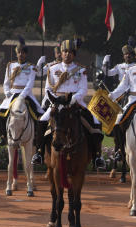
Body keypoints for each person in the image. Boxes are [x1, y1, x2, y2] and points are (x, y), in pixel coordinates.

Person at [32, 37, 105, 168]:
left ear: (74, 54)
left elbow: (83, 89)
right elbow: (48, 89)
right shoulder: (53, 69)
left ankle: (97, 156)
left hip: (75, 103)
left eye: (70, 52)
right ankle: (39, 152)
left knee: (95, 122)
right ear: (61, 53)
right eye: (65, 51)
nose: (67, 54)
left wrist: (72, 99)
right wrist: (56, 101)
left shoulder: (81, 70)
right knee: (42, 120)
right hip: (57, 103)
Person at [0, 37, 41, 146]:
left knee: (38, 113)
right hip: (12, 93)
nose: (21, 54)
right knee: (0, 113)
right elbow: (6, 82)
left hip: (26, 94)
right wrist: (7, 92)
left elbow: (30, 84)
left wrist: (22, 95)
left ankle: (35, 136)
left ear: (26, 54)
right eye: (19, 52)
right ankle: (3, 136)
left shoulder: (31, 67)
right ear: (16, 53)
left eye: (23, 52)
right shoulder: (10, 65)